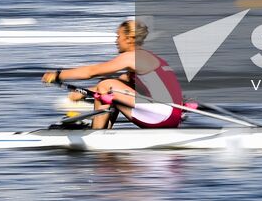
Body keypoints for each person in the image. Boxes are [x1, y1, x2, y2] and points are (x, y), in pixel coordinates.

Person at [41, 19, 186, 129]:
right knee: (110, 85)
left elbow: (91, 72)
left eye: (118, 36)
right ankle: (104, 130)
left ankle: (97, 132)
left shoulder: (132, 57)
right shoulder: (149, 58)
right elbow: (122, 85)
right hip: (172, 115)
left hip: (162, 115)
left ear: (129, 39)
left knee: (106, 85)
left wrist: (58, 74)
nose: (116, 41)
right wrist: (86, 92)